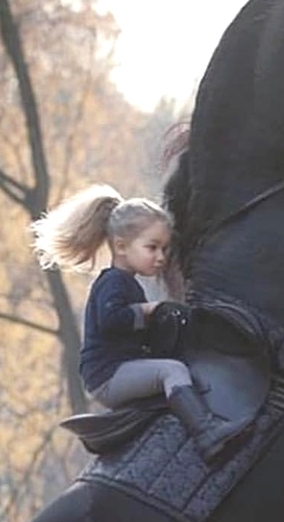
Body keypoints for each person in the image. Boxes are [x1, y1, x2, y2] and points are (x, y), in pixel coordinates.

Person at [31, 185, 248, 463]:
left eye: (165, 249)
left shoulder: (127, 283)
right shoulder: (112, 283)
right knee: (171, 371)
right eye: (152, 247)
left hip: (120, 368)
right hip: (107, 376)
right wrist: (149, 310)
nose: (161, 257)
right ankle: (208, 434)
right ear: (121, 246)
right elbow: (111, 322)